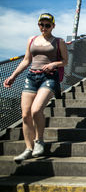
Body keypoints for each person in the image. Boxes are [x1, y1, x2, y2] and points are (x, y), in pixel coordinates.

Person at [3, 13, 68, 162]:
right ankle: (28, 148)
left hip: (49, 78)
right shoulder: (32, 40)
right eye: (41, 25)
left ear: (53, 26)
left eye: (47, 25)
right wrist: (13, 76)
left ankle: (39, 140)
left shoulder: (59, 41)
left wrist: (53, 64)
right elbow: (26, 60)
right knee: (25, 114)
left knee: (36, 110)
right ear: (38, 25)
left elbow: (65, 61)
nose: (44, 28)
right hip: (31, 77)